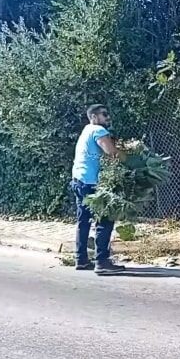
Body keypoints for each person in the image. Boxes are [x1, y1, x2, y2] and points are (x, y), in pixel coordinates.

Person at [71, 104, 126, 274]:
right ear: (94, 117)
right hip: (91, 183)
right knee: (105, 219)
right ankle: (102, 262)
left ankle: (81, 260)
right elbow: (112, 153)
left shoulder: (86, 130)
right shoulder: (98, 130)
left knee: (84, 221)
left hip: (79, 180)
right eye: (104, 114)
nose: (107, 117)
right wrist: (129, 159)